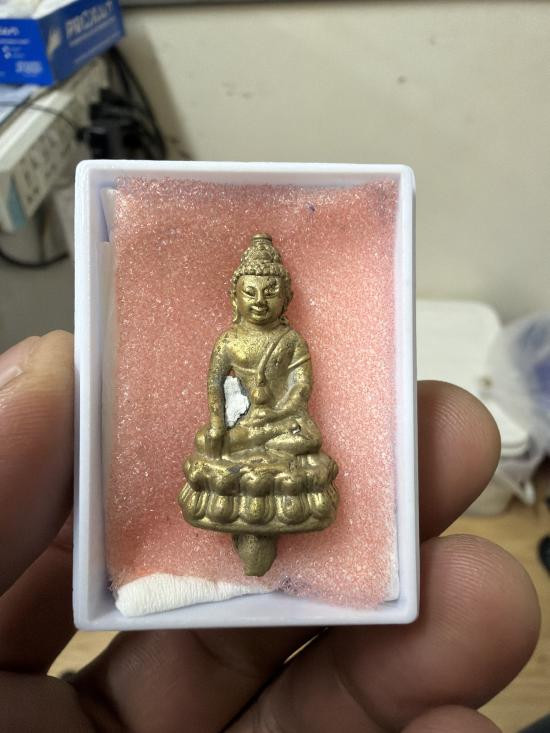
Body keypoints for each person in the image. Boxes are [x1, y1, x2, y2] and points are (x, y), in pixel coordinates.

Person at [0, 330, 540, 732]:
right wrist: (222, 426)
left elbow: (300, 393)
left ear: (281, 294)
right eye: (251, 290)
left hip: (281, 428)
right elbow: (217, 390)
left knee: (302, 440)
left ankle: (256, 495)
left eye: (268, 290)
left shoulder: (289, 341)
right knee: (212, 449)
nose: (259, 299)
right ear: (239, 293)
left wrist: (272, 412)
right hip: (240, 433)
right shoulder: (230, 340)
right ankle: (251, 498)